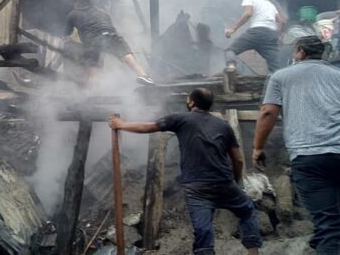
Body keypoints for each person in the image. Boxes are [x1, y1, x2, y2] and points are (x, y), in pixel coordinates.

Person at [109, 88, 262, 255]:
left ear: (192, 102)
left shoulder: (180, 119)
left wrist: (121, 125)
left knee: (203, 229)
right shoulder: (223, 125)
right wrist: (235, 181)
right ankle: (253, 252)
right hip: (223, 182)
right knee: (246, 210)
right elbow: (238, 159)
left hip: (196, 187)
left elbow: (149, 127)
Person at [253, 36, 340, 255]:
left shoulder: (281, 76)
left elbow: (268, 112)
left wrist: (257, 148)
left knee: (330, 226)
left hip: (310, 159)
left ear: (300, 51)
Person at [65, 0, 154, 85]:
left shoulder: (73, 13)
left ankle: (91, 91)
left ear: (77, 3)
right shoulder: (101, 11)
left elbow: (66, 33)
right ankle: (143, 75)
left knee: (93, 70)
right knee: (126, 55)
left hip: (93, 42)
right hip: (112, 36)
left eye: (74, 3)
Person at [225, 0, 285, 73]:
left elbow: (248, 13)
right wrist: (278, 36)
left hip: (256, 32)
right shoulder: (269, 4)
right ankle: (279, 79)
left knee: (230, 51)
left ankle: (231, 67)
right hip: (270, 35)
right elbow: (282, 21)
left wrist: (232, 29)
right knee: (275, 67)